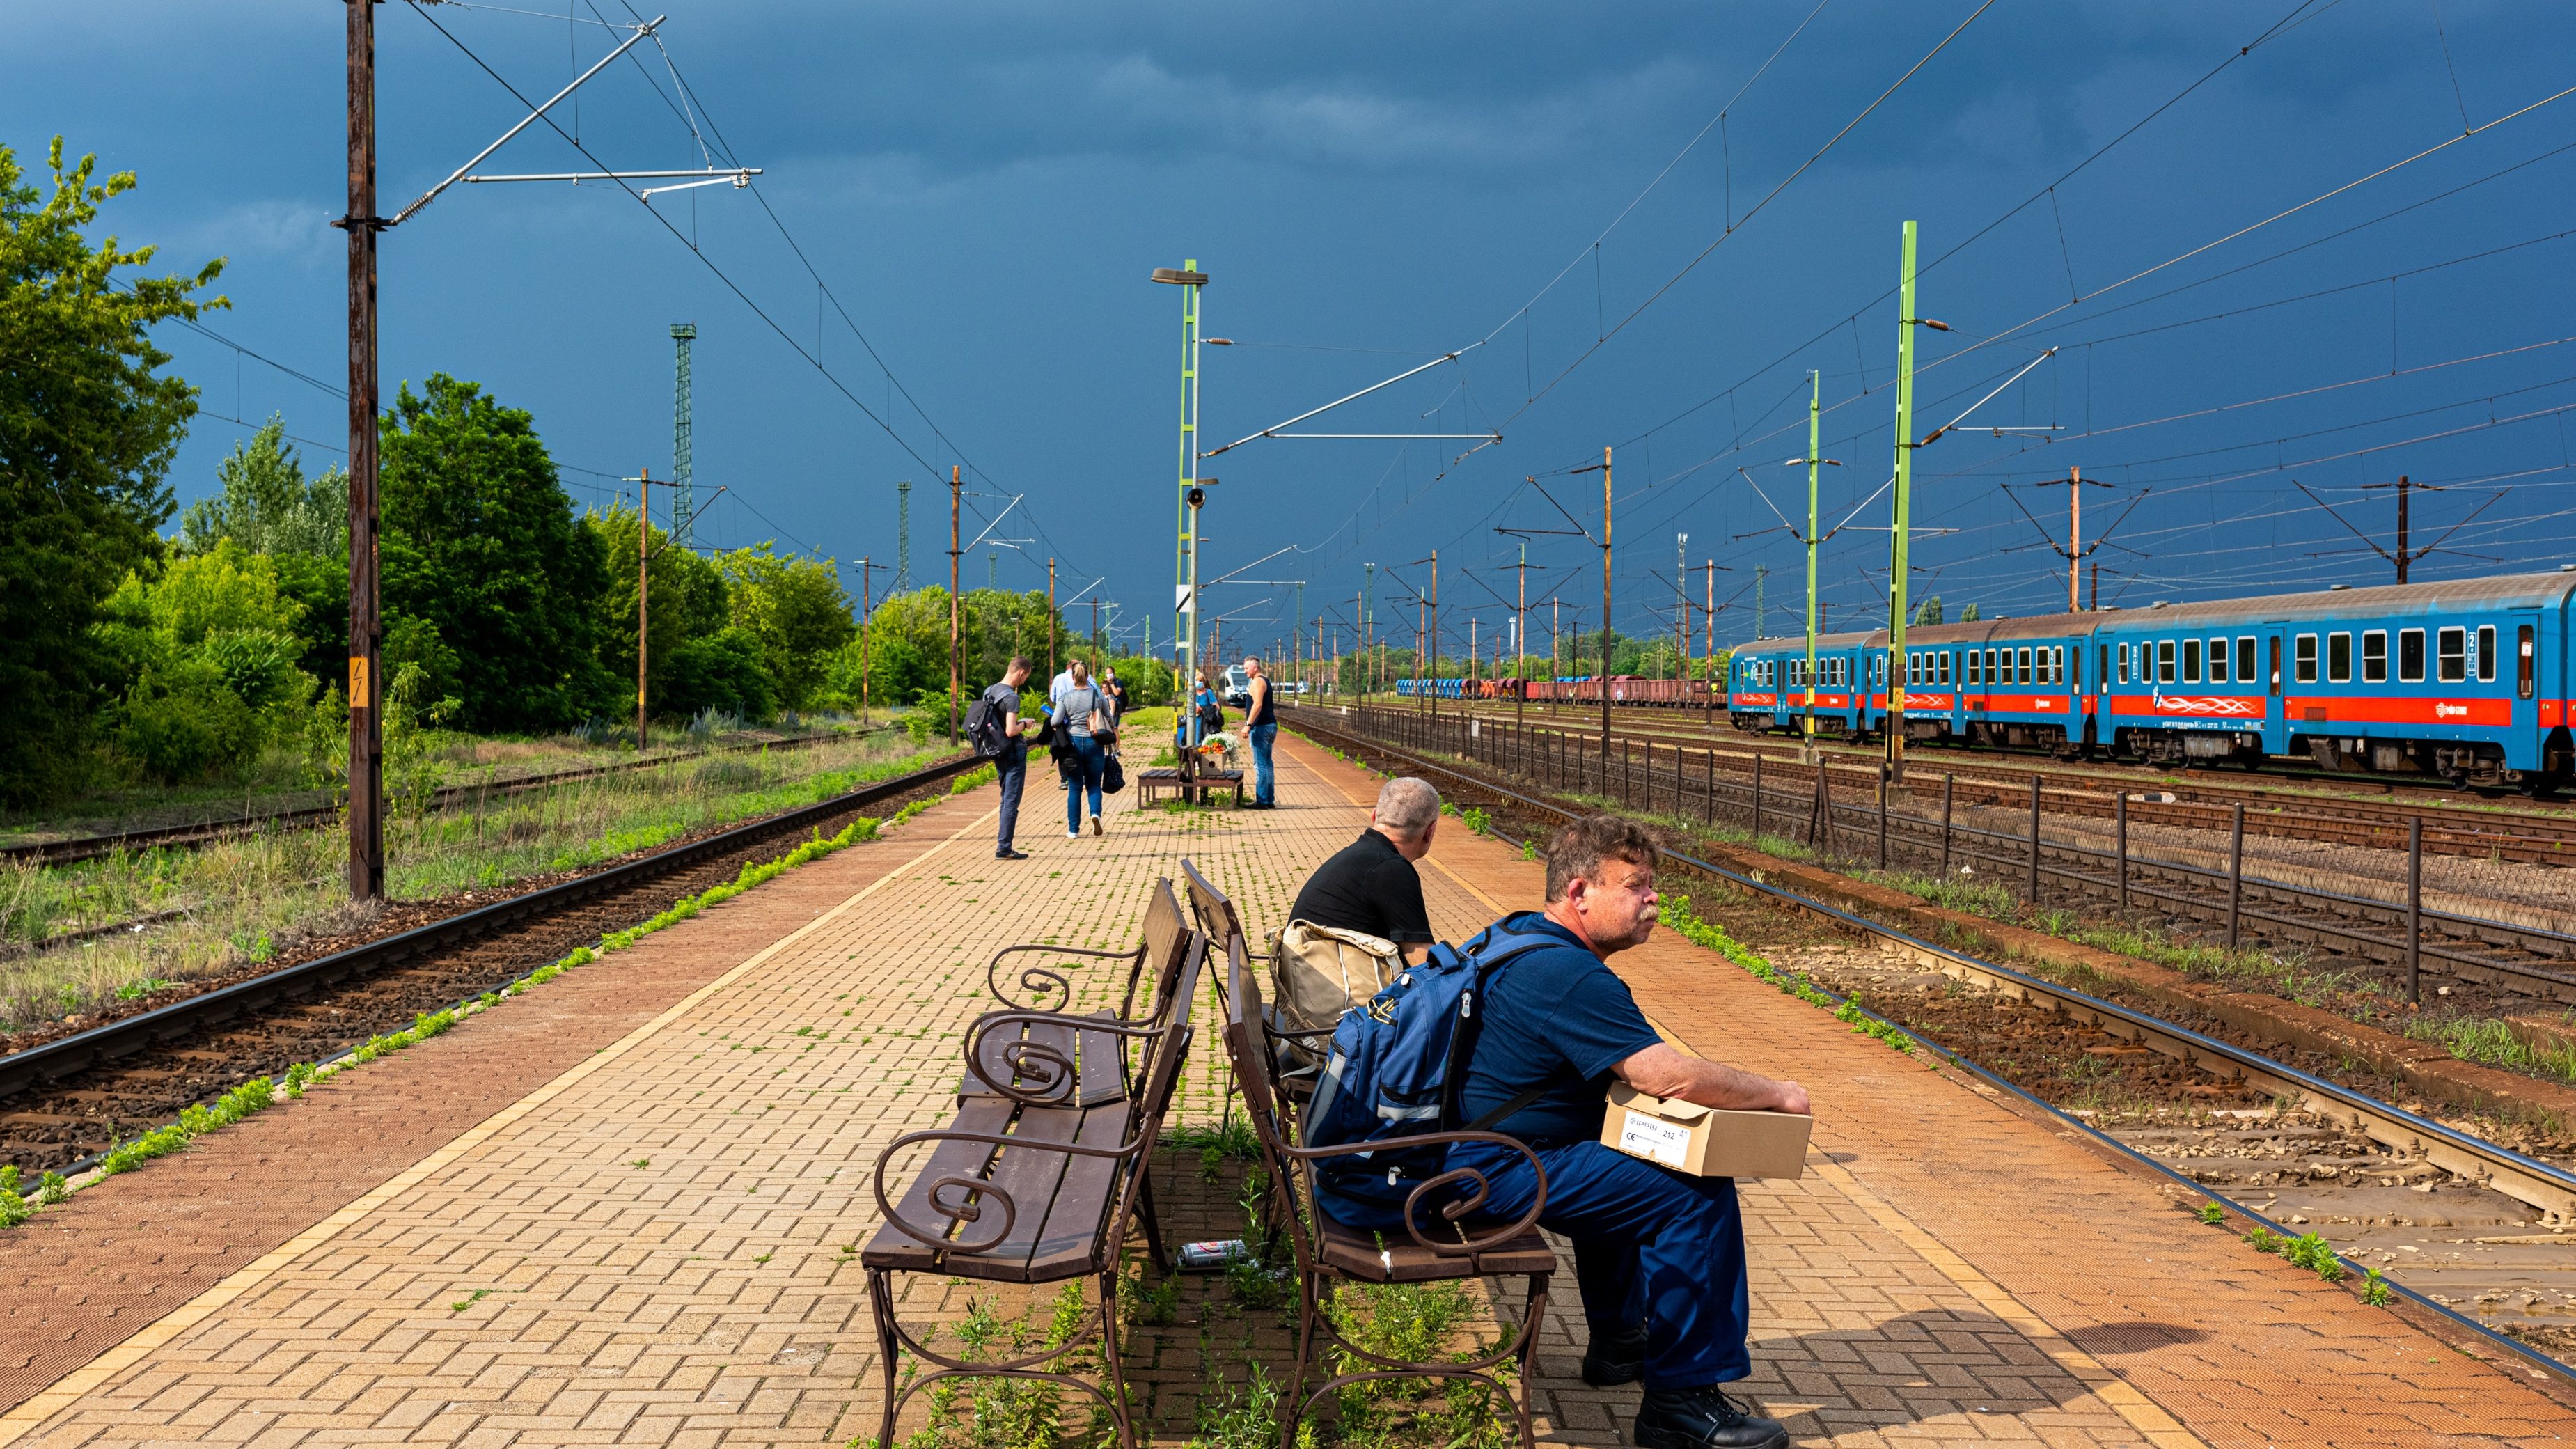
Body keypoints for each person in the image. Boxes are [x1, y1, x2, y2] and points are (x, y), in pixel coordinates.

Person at [1448, 815, 1805, 1449]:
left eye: (1652, 885)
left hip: (1473, 1155)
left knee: (1623, 1160)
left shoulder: (1518, 934)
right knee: (1694, 1194)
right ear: (1580, 893)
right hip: (1497, 1168)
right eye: (1635, 885)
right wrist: (1779, 1093)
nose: (1653, 898)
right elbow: (1667, 1076)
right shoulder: (1569, 974)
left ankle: (1620, 1342)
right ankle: (1681, 1404)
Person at [1287, 776, 1438, 962]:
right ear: (1430, 832)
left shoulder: (1359, 857)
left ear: (1374, 816)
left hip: (1308, 979)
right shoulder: (1391, 870)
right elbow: (1423, 962)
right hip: (1333, 988)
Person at [980, 657, 1040, 861]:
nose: (1024, 682)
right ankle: (1004, 847)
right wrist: (1025, 723)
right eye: (1026, 677)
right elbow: (1011, 730)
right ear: (1021, 673)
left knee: (1006, 797)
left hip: (998, 751)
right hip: (1014, 752)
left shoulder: (990, 691)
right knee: (1011, 800)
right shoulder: (1012, 697)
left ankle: (1004, 844)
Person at [1055, 659, 1115, 839]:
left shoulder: (1066, 697)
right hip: (1094, 742)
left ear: (1073, 678)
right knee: (1094, 785)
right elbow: (1109, 717)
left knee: (1074, 788)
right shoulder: (1097, 695)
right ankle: (1095, 814)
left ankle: (1073, 830)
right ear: (1088, 676)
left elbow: (1055, 721)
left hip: (1073, 744)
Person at [1241, 654, 1278, 808]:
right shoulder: (1266, 681)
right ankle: (1269, 800)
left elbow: (1257, 705)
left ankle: (1262, 801)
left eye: (1246, 668)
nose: (1245, 671)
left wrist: (1248, 724)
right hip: (1270, 726)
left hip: (1261, 727)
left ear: (1255, 668)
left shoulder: (1257, 682)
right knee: (1268, 764)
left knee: (1260, 765)